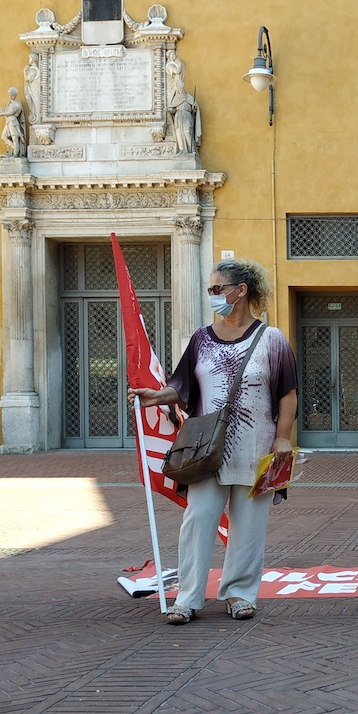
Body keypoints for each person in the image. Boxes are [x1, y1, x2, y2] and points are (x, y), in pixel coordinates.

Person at [131, 259, 297, 625]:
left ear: (241, 291)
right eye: (210, 289)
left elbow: (288, 394)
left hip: (258, 446)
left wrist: (283, 439)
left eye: (217, 288)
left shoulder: (272, 339)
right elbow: (181, 385)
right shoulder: (200, 338)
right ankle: (188, 598)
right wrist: (156, 396)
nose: (213, 295)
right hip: (206, 449)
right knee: (199, 519)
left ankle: (239, 593)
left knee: (249, 525)